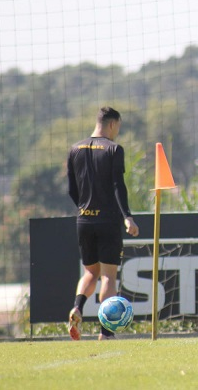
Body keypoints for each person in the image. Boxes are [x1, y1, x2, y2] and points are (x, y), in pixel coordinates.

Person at [66, 106, 139, 341]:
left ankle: (77, 307)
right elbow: (118, 185)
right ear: (112, 124)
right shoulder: (114, 149)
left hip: (84, 218)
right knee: (108, 276)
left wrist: (85, 208)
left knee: (90, 271)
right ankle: (105, 332)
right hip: (107, 219)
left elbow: (72, 189)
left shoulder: (74, 149)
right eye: (118, 127)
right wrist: (126, 216)